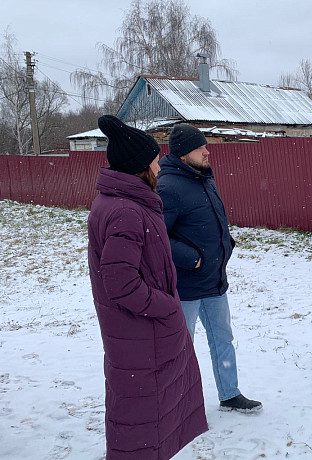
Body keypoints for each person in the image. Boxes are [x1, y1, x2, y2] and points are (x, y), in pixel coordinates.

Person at [87, 115, 208, 459]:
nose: (160, 162)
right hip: (142, 334)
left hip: (136, 335)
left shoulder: (122, 202)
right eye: (155, 158)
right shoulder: (126, 210)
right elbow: (121, 283)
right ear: (140, 166)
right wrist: (166, 306)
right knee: (143, 424)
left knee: (142, 421)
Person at [157, 123, 262, 413]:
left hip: (214, 281)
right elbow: (157, 236)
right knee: (181, 346)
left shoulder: (203, 178)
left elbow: (212, 218)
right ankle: (175, 404)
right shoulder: (169, 187)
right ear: (182, 154)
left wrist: (225, 242)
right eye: (199, 147)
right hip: (186, 287)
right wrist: (191, 258)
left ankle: (230, 394)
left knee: (223, 339)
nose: (207, 150)